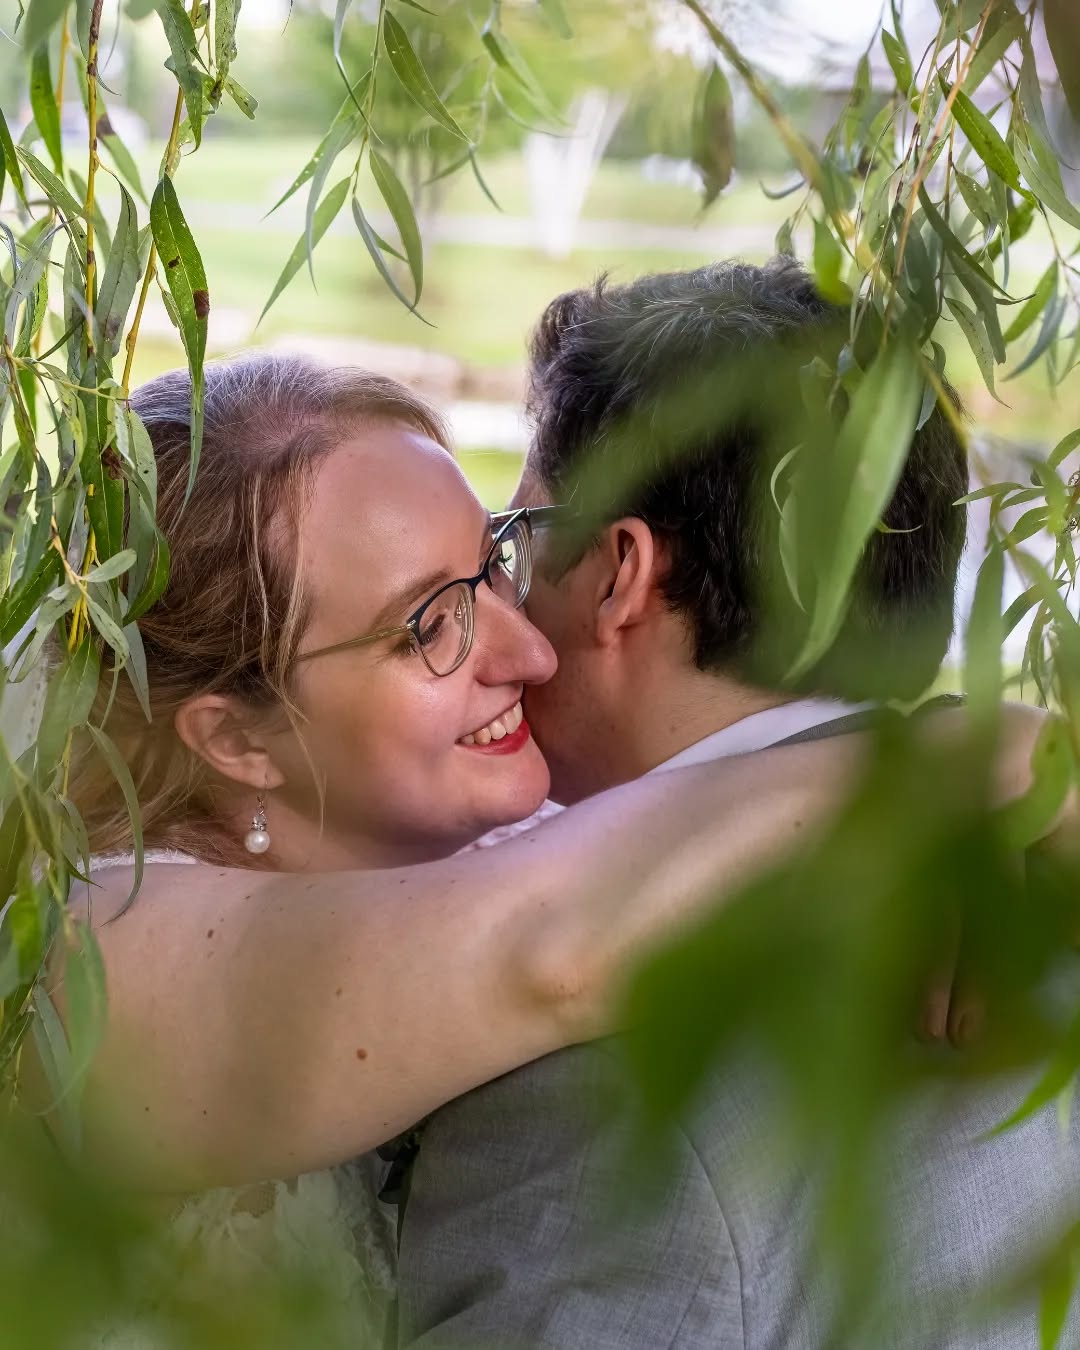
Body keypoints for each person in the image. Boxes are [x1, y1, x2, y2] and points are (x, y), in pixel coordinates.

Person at [51, 353, 973, 1264]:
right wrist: (960, 760)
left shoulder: (506, 839)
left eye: (491, 567)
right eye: (431, 628)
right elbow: (549, 951)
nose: (530, 651)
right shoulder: (85, 963)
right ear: (236, 738)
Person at [392, 260, 1080, 1348]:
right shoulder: (1039, 910)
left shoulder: (607, 1078)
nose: (503, 609)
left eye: (519, 543)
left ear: (619, 572)